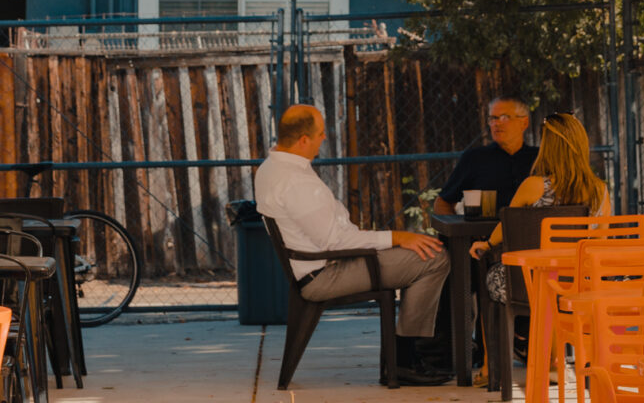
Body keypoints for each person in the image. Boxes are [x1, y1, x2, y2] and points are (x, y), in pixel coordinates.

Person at [253, 104, 451, 385]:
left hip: (319, 265)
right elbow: (335, 241)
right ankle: (405, 361)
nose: (324, 138)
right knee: (434, 258)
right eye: (321, 133)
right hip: (326, 273)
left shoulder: (271, 167)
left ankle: (407, 357)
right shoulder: (296, 182)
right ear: (303, 140)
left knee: (418, 252)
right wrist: (397, 237)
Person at [469, 113, 612, 258]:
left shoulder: (534, 186)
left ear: (547, 148)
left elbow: (507, 226)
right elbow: (600, 244)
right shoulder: (600, 190)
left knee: (493, 274)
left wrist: (487, 244)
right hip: (582, 276)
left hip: (536, 276)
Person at [434, 97, 538, 218]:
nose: (496, 123)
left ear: (524, 123)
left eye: (505, 117)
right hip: (485, 235)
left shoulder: (540, 158)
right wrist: (460, 232)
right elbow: (442, 203)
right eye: (493, 118)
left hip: (533, 232)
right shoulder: (475, 158)